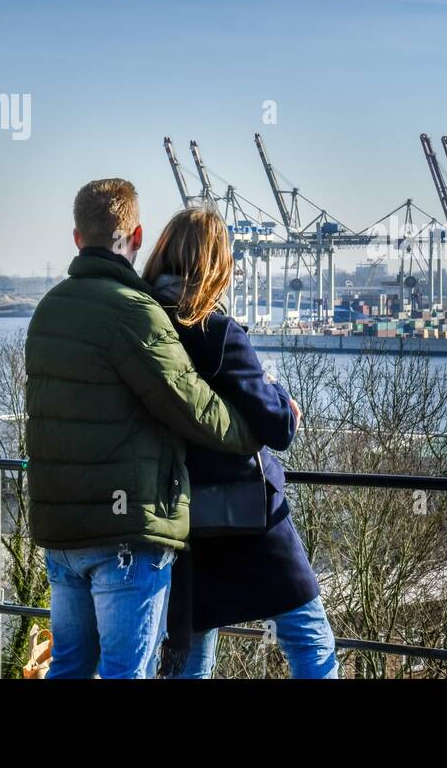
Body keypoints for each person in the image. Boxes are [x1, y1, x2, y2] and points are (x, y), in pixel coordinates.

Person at [26, 179, 259, 679]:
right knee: (125, 671)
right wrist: (254, 430)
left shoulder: (48, 310)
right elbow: (194, 407)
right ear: (135, 235)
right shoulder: (135, 312)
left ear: (76, 238)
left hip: (62, 533)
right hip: (127, 533)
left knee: (68, 666)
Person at [143, 206, 338, 679]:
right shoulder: (217, 332)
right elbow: (278, 427)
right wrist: (281, 395)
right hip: (250, 519)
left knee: (190, 654)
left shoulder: (146, 327)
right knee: (311, 641)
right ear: (215, 265)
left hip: (180, 518)